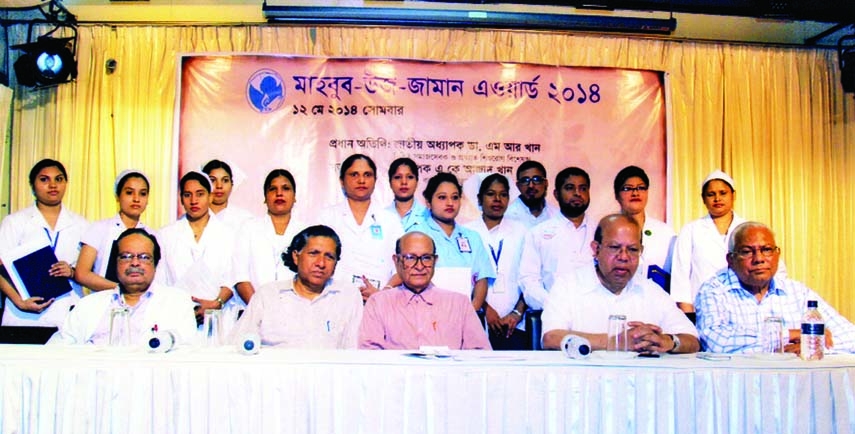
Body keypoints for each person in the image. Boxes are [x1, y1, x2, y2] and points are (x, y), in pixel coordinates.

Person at [541, 214, 700, 353]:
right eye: (615, 247)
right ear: (596, 250)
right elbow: (551, 338)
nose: (624, 257)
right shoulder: (568, 286)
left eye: (632, 249)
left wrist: (669, 341)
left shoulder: (651, 291)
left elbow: (692, 340)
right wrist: (616, 342)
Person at [695, 221, 855, 354]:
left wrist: (810, 346)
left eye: (766, 250)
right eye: (747, 252)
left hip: (792, 385)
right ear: (730, 259)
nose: (759, 259)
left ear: (777, 255)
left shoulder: (797, 292)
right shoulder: (714, 290)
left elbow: (850, 336)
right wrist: (789, 336)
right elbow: (716, 343)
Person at [51, 229, 197, 346]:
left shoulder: (177, 302)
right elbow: (60, 348)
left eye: (144, 257)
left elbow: (186, 352)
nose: (135, 263)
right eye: (126, 256)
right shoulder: (88, 304)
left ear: (155, 264)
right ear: (115, 263)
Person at [670, 170, 787, 313]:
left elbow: (776, 268)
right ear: (703, 199)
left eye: (723, 193)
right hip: (703, 309)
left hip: (746, 308)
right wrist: (689, 315)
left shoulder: (750, 229)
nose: (717, 199)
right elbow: (680, 277)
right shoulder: (691, 230)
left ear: (733, 195)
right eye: (711, 194)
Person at [229, 225, 363, 348]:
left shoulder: (348, 296)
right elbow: (237, 345)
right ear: (296, 256)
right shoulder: (268, 295)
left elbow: (354, 353)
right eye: (313, 253)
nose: (321, 263)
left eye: (329, 257)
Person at [359, 232, 491, 350]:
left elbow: (480, 355)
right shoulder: (379, 303)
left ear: (435, 261)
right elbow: (370, 357)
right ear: (396, 261)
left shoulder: (459, 304)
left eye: (426, 258)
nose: (420, 266)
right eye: (410, 258)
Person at [0, 159, 89, 326]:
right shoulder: (15, 222)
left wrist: (72, 271)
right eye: (44, 179)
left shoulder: (82, 224)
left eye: (59, 179)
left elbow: (91, 270)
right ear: (32, 185)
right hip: (22, 315)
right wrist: (19, 302)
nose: (53, 185)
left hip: (66, 312)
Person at [155, 171, 236, 330]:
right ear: (181, 199)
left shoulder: (229, 234)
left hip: (218, 316)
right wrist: (182, 308)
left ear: (210, 196)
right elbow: (160, 280)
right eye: (187, 195)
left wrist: (216, 303)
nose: (193, 201)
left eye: (200, 194)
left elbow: (233, 277)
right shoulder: (165, 235)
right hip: (176, 317)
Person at [318, 154, 403, 300]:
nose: (361, 180)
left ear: (375, 181)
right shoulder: (327, 217)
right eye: (354, 174)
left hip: (380, 301)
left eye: (367, 175)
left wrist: (384, 292)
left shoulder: (390, 220)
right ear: (342, 182)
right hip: (334, 301)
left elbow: (404, 265)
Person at [406, 172, 495, 310]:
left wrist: (471, 312)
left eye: (455, 197)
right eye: (442, 197)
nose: (450, 203)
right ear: (428, 202)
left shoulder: (472, 237)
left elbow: (482, 279)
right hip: (424, 314)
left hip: (465, 315)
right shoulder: (416, 235)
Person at [464, 174, 529, 350]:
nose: (497, 199)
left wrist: (516, 313)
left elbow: (529, 276)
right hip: (476, 318)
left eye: (503, 194)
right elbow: (464, 279)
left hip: (514, 323)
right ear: (479, 198)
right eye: (491, 194)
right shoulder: (467, 232)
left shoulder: (522, 231)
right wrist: (486, 309)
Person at [518, 167, 597, 311]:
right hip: (553, 314)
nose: (577, 193)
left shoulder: (600, 231)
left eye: (583, 188)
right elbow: (529, 281)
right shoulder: (538, 233)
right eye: (569, 188)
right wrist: (555, 305)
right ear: (556, 194)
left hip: (595, 314)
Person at [232, 169, 305, 304]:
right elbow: (240, 276)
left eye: (285, 188)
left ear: (294, 196)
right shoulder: (249, 228)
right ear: (265, 198)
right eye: (273, 189)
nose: (279, 194)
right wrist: (260, 309)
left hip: (296, 311)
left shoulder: (306, 231)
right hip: (254, 309)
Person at [74, 170, 150, 292]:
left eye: (142, 193)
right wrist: (120, 288)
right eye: (129, 193)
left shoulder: (152, 236)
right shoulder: (99, 228)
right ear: (117, 196)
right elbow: (81, 273)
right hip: (102, 302)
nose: (136, 199)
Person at [612, 165, 676, 288]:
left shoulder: (666, 233)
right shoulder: (608, 231)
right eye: (628, 188)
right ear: (616, 195)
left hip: (657, 301)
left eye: (641, 188)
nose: (635, 193)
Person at [202, 159, 254, 231]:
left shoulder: (246, 219)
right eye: (212, 180)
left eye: (225, 180)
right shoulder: (190, 219)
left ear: (232, 184)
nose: (219, 186)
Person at [504, 161, 558, 228]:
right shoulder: (506, 216)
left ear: (546, 183)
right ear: (518, 186)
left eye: (536, 179)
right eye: (525, 180)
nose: (531, 185)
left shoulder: (557, 215)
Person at [386, 157, 427, 231]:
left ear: (417, 182)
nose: (404, 182)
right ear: (390, 183)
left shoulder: (428, 216)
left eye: (410, 177)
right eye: (398, 177)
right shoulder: (381, 216)